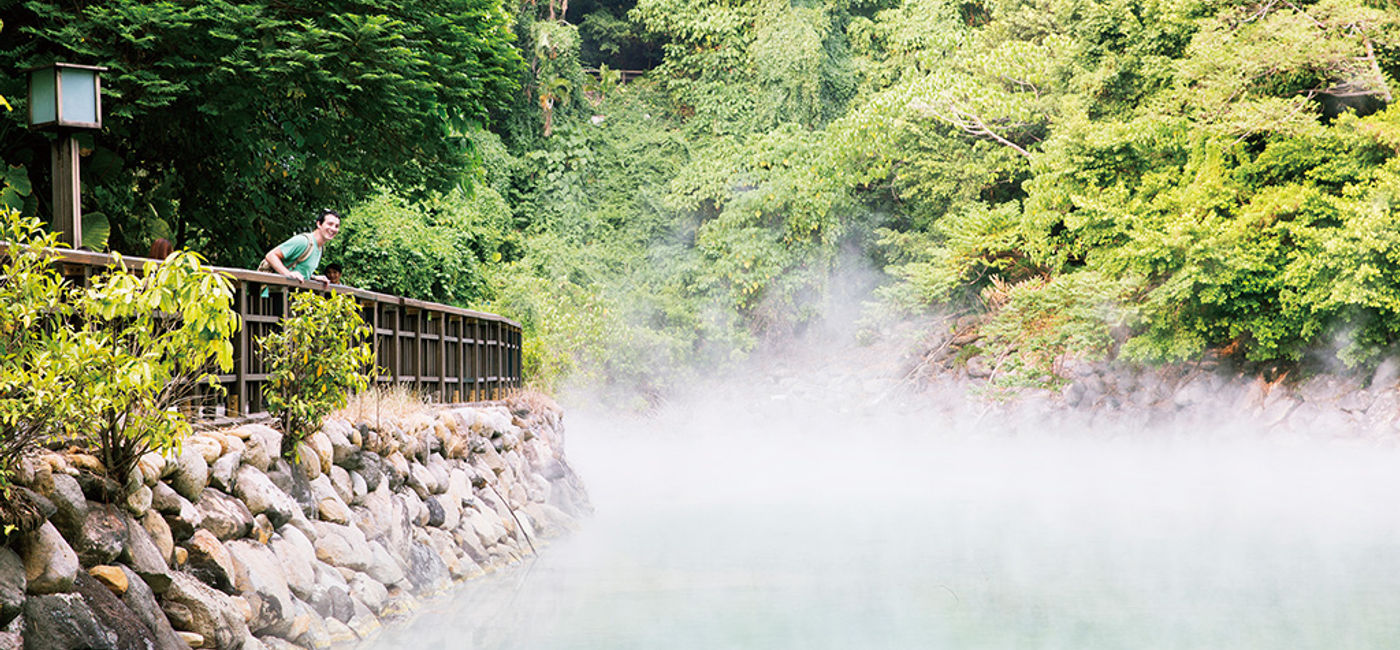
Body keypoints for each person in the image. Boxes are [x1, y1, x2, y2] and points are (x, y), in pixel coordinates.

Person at [261, 209, 340, 286]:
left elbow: (300, 271)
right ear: (319, 224)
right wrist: (287, 274)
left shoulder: (320, 248)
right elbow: (271, 255)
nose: (333, 229)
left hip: (290, 295)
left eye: (336, 226)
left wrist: (314, 278)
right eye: (330, 224)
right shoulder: (304, 241)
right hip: (272, 294)